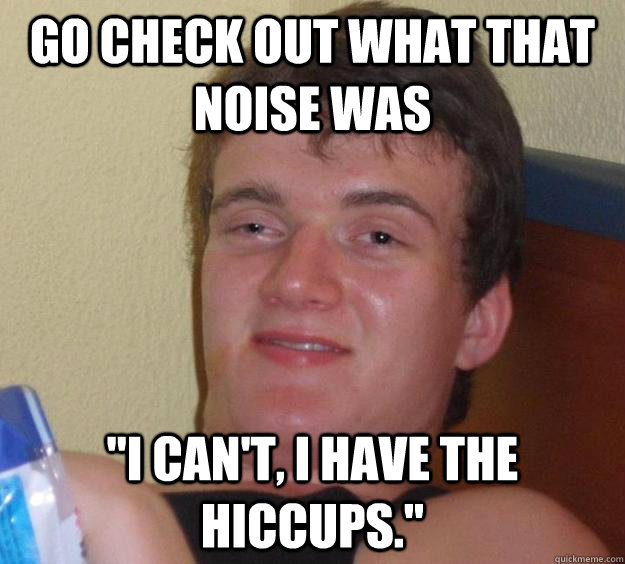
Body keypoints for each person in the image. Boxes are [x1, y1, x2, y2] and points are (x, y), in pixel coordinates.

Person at [65, 2, 608, 563]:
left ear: (478, 322)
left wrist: (132, 531)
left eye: (378, 236)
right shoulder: (69, 505)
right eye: (254, 226)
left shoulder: (520, 544)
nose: (295, 281)